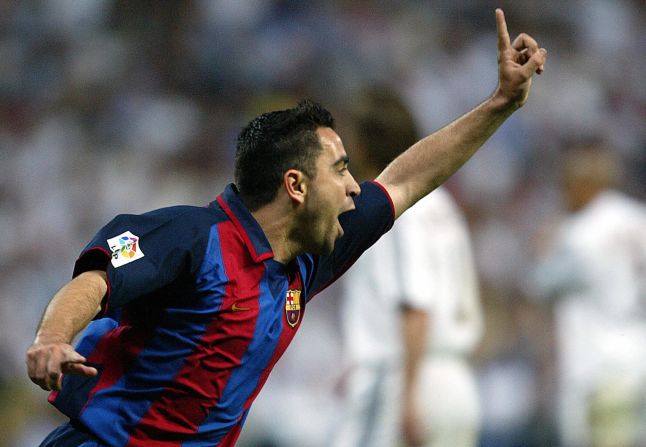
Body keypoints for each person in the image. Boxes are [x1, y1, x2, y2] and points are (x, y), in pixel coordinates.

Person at [26, 9, 546, 447]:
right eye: (341, 169)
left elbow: (406, 181)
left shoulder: (308, 259)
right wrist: (52, 338)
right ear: (295, 185)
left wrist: (500, 104)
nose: (354, 187)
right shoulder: (195, 235)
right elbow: (95, 281)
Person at [331, 86, 484, 447]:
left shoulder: (391, 210)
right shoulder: (443, 206)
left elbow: (416, 302)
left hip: (402, 380)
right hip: (457, 383)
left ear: (363, 144)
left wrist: (410, 393)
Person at [529, 141, 646, 447]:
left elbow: (539, 283)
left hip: (597, 367)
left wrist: (543, 250)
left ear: (584, 183)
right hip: (637, 357)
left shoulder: (581, 231)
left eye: (566, 183)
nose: (563, 191)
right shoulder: (637, 218)